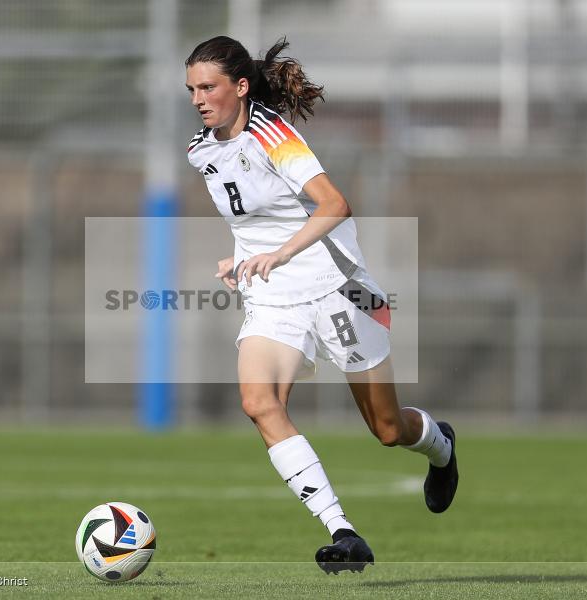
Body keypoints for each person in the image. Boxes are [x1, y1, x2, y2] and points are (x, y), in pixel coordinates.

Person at [185, 36, 459, 574]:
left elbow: (334, 204)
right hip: (274, 299)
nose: (198, 98)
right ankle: (344, 532)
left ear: (240, 87)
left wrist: (281, 253)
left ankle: (440, 445)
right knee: (259, 402)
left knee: (386, 430)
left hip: (341, 289)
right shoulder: (201, 150)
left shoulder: (273, 133)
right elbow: (254, 221)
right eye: (192, 88)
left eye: (208, 86)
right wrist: (240, 259)